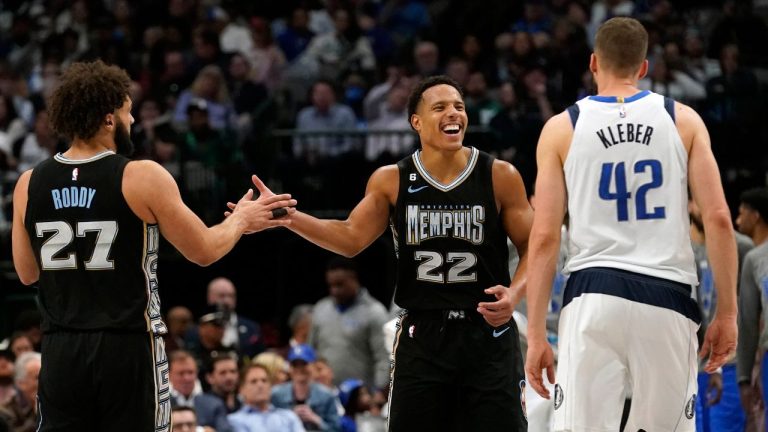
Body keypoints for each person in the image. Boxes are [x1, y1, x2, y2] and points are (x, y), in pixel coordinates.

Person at [11, 60, 296, 432]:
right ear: (109, 119)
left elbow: (27, 273)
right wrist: (241, 219)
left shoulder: (29, 183)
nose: (132, 121)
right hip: (127, 345)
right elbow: (204, 250)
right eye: (127, 112)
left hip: (60, 349)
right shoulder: (140, 175)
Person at [235, 75, 533, 430]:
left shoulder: (499, 175)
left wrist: (515, 293)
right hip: (423, 335)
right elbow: (350, 237)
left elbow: (535, 245)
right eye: (440, 107)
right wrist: (290, 218)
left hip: (488, 331)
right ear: (416, 122)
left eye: (459, 106)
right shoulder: (392, 179)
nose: (453, 113)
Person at [525, 17, 738, 431]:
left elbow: (546, 236)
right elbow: (717, 219)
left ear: (593, 63)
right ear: (643, 67)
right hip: (667, 295)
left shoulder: (561, 128)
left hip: (592, 294)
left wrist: (536, 335)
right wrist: (727, 313)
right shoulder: (683, 119)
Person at [689, 196, 753, 432]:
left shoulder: (740, 245)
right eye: (698, 202)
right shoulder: (679, 248)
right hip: (691, 362)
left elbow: (751, 305)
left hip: (729, 361)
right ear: (688, 204)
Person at [309, 257, 389, 390]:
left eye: (340, 284)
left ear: (353, 279)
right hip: (324, 392)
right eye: (331, 285)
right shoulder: (321, 308)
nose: (334, 290)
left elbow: (383, 358)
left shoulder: (374, 312)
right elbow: (311, 351)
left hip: (359, 395)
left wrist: (379, 390)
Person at [735, 188, 768, 430]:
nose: (737, 221)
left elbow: (747, 323)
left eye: (742, 213)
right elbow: (747, 322)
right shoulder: (755, 259)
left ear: (755, 216)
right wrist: (744, 376)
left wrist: (744, 378)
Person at [271, 344, 341, 432]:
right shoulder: (276, 395)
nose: (299, 369)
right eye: (295, 365)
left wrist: (316, 419)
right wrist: (290, 417)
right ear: (290, 368)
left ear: (313, 366)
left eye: (304, 364)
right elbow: (268, 426)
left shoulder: (326, 396)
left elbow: (336, 429)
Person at [228, 363, 306, 432]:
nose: (260, 385)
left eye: (264, 380)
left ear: (271, 386)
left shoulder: (288, 416)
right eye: (253, 381)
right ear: (241, 389)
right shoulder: (234, 420)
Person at [169, 350, 232, 432]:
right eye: (181, 373)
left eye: (190, 372)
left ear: (197, 374)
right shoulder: (160, 406)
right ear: (169, 375)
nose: (187, 378)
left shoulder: (214, 404)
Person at [0, 352, 41, 432]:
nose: (43, 382)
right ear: (21, 383)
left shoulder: (51, 404)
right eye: (37, 378)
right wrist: (37, 415)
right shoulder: (6, 412)